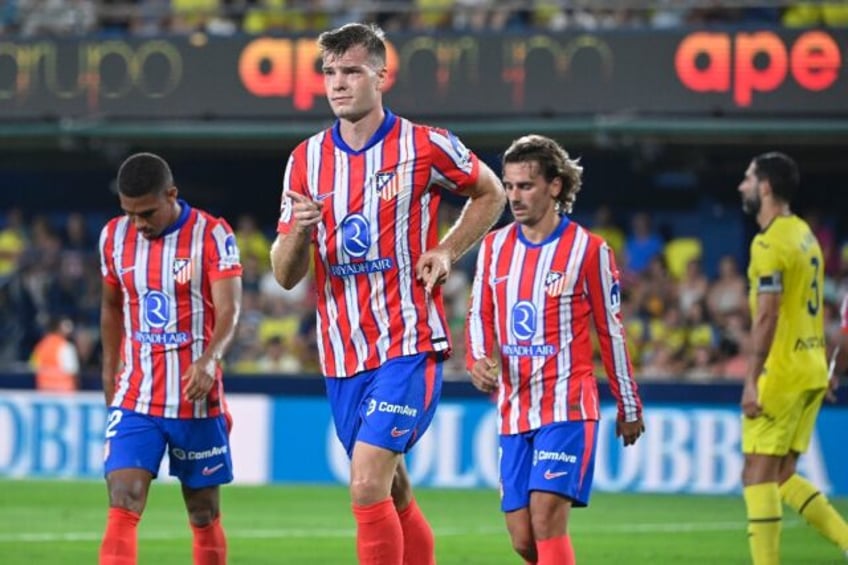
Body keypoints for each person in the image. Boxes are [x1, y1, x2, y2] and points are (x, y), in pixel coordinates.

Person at [269, 22, 505, 565]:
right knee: (393, 490)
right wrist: (300, 232)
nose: (338, 83)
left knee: (365, 484)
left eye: (351, 71)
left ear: (381, 74)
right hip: (342, 353)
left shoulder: (424, 144)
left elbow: (488, 191)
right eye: (330, 72)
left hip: (407, 342)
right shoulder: (305, 160)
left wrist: (447, 251)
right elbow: (284, 275)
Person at [465, 134, 644, 565]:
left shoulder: (590, 250)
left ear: (555, 186)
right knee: (523, 539)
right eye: (508, 186)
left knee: (547, 520)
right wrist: (476, 359)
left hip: (567, 405)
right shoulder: (493, 247)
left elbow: (611, 332)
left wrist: (629, 405)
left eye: (525, 186)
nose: (514, 196)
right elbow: (479, 314)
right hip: (514, 408)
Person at [98, 153, 243, 565]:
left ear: (172, 195)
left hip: (194, 400)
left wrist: (211, 359)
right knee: (123, 498)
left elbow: (230, 311)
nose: (138, 224)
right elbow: (110, 307)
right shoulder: (112, 237)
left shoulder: (212, 235)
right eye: (129, 213)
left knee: (202, 512)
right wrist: (110, 373)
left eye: (146, 212)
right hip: (136, 398)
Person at [738, 151, 848, 564]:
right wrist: (820, 360)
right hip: (811, 367)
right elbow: (812, 306)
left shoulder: (769, 243)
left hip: (781, 372)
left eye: (748, 179)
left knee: (756, 472)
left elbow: (768, 314)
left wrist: (752, 378)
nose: (742, 187)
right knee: (782, 474)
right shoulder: (805, 234)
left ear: (765, 187)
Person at [31, 315, 79, 392]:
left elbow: (33, 366)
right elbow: (72, 371)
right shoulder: (65, 346)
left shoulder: (40, 345)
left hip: (44, 391)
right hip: (64, 393)